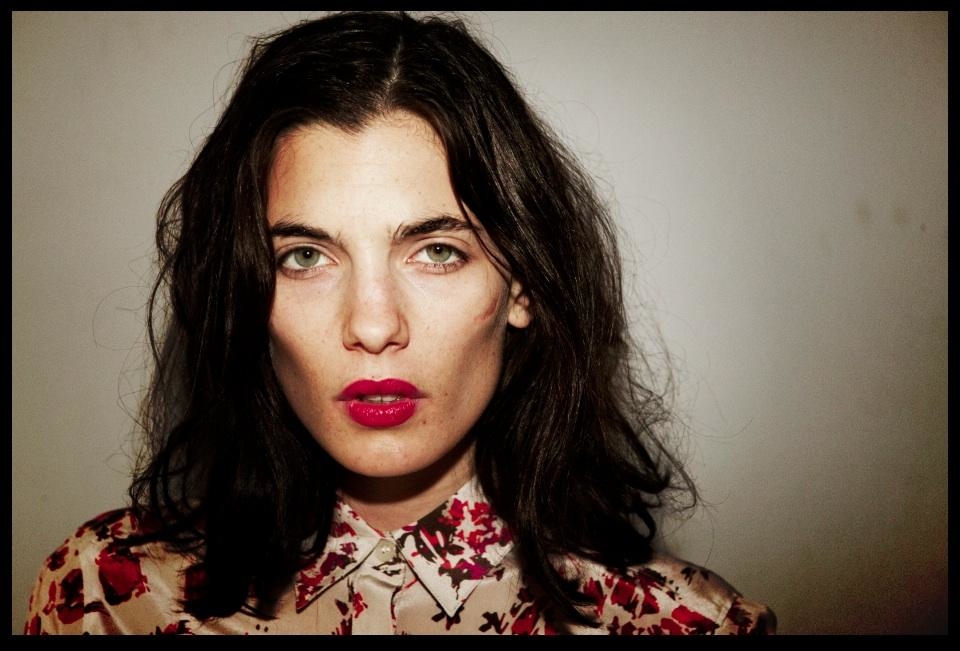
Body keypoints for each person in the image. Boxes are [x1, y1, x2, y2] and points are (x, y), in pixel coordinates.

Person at [24, 11, 776, 635]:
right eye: (305, 257)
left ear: (522, 286)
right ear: (246, 292)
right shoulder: (104, 598)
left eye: (437, 251)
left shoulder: (684, 624)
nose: (374, 325)